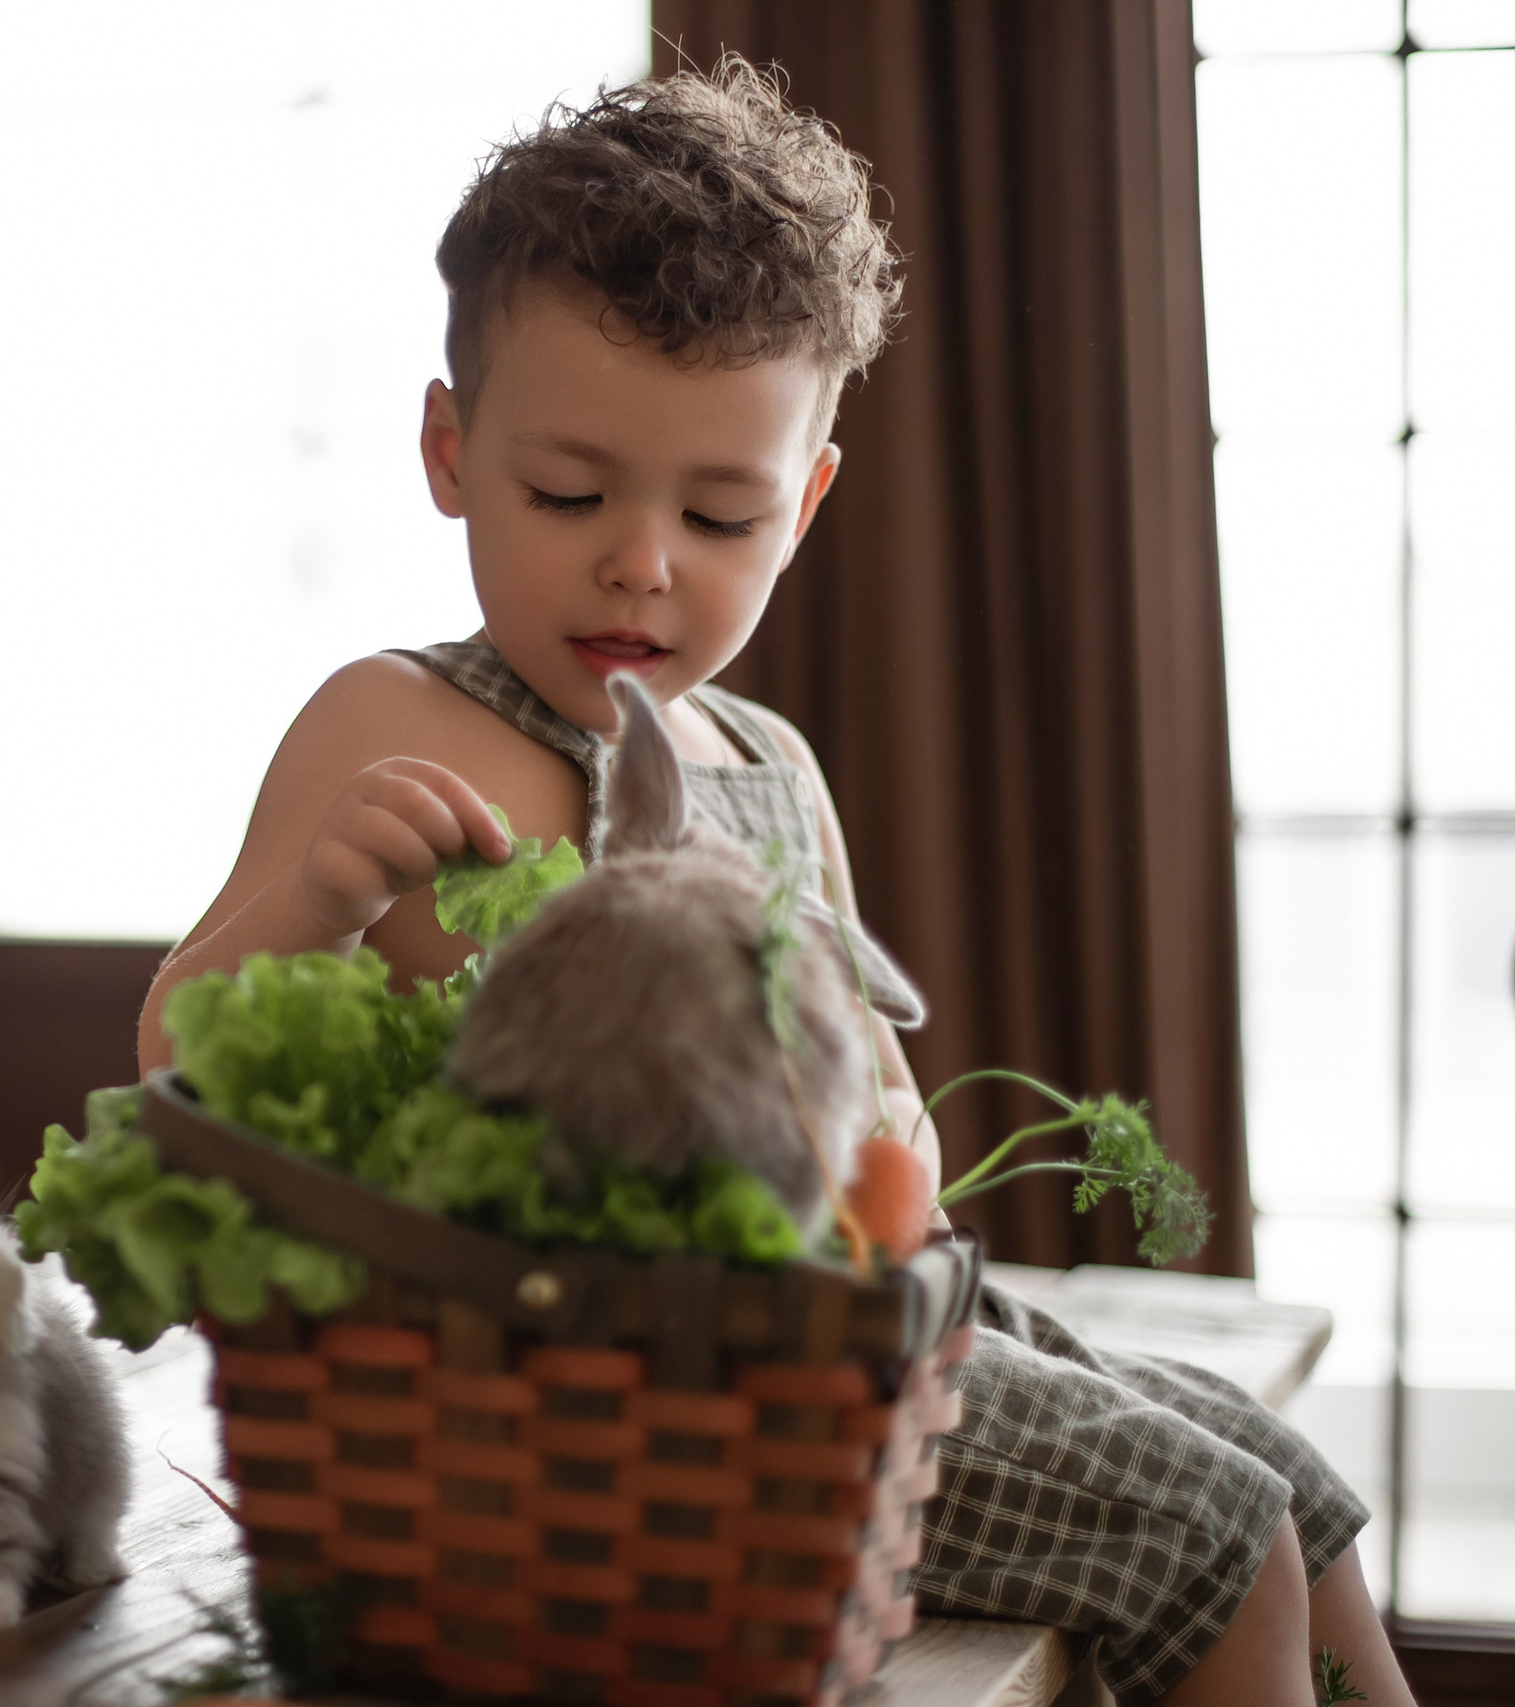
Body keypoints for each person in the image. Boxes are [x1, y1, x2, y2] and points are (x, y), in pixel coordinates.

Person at [132, 60, 1410, 1707]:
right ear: (450, 450)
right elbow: (172, 1068)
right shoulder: (396, 721)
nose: (641, 560)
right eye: (568, 493)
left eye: (720, 512)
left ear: (802, 505)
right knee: (1216, 1534)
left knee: (1285, 1482)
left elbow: (876, 1087)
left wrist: (895, 1140)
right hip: (623, 1402)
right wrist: (312, 897)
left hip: (839, 1336)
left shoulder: (770, 765)